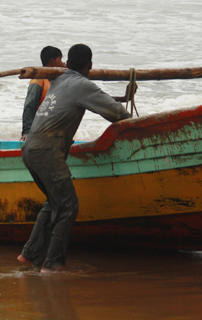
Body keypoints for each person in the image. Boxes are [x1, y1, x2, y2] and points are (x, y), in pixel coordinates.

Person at [17, 44, 136, 273]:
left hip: (30, 148)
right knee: (68, 206)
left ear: (68, 63)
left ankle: (30, 254)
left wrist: (122, 96)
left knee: (54, 202)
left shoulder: (60, 80)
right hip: (47, 152)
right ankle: (53, 264)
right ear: (89, 65)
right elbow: (117, 114)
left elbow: (94, 98)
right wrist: (137, 126)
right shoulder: (82, 85)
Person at [21, 46, 64, 140]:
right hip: (39, 130)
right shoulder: (38, 80)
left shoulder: (57, 79)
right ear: (53, 62)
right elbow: (29, 106)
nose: (62, 63)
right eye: (60, 59)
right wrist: (26, 132)